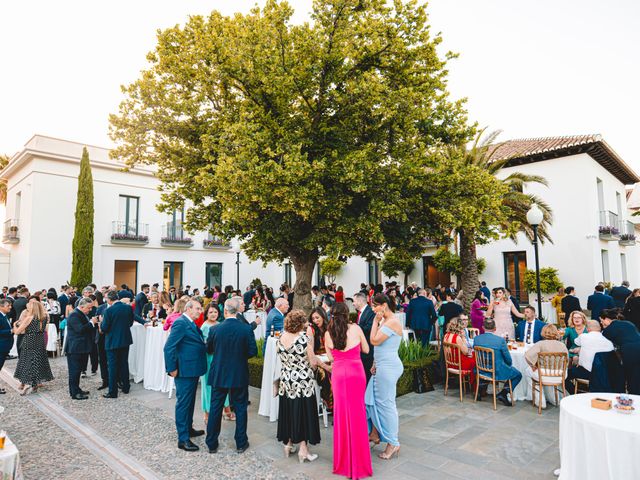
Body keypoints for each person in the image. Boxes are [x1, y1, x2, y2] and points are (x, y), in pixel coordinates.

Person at [324, 302, 372, 479]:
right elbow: (366, 350)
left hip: (339, 374)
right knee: (358, 414)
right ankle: (359, 462)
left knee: (341, 415)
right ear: (347, 313)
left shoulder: (328, 334)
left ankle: (344, 462)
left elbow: (331, 358)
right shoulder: (356, 329)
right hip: (356, 373)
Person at [205, 297, 258, 454]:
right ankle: (241, 442)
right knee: (240, 408)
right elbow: (252, 351)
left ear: (225, 311)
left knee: (215, 407)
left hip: (220, 372)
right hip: (238, 372)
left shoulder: (215, 329)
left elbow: (208, 349)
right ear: (237, 311)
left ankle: (212, 443)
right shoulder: (246, 329)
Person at [276, 309, 321, 462]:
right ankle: (303, 449)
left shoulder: (280, 338)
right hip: (302, 382)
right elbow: (313, 362)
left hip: (286, 380)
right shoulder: (303, 340)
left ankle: (288, 444)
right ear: (301, 323)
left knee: (289, 410)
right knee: (303, 413)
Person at [164, 299, 207, 451]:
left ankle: (189, 429)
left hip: (192, 368)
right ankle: (183, 439)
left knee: (189, 402)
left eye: (200, 308)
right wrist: (171, 368)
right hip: (184, 370)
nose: (200, 311)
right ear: (188, 309)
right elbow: (169, 347)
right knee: (183, 403)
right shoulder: (181, 323)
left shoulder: (190, 322)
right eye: (197, 308)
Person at [366, 294, 403, 460]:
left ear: (384, 305)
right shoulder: (386, 321)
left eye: (375, 306)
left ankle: (393, 443)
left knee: (387, 405)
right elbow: (381, 348)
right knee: (371, 398)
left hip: (389, 368)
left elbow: (374, 341)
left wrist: (374, 322)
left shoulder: (392, 322)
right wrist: (375, 363)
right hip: (381, 366)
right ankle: (374, 433)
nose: (373, 309)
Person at [473, 318, 522, 406]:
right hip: (496, 371)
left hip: (480, 369)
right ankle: (504, 393)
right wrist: (508, 365)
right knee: (518, 375)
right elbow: (508, 359)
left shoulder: (477, 339)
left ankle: (480, 390)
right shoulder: (500, 340)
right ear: (495, 328)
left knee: (487, 366)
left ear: (483, 327)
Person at [200, 304, 234, 424]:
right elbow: (204, 346)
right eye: (210, 312)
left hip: (221, 359)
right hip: (209, 360)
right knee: (208, 387)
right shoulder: (204, 327)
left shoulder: (221, 325)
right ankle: (207, 413)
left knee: (222, 385)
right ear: (206, 314)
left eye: (215, 312)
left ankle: (226, 410)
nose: (213, 314)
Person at [12, 298, 54, 395]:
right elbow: (45, 330)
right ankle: (35, 384)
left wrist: (15, 325)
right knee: (37, 361)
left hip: (29, 342)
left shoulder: (29, 318)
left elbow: (17, 332)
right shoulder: (44, 317)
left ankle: (26, 383)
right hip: (39, 342)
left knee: (27, 362)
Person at [523, 324, 568, 408]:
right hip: (560, 375)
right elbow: (567, 360)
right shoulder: (562, 345)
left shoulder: (540, 344)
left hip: (544, 374)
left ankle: (540, 401)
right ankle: (555, 400)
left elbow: (527, 356)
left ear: (543, 333)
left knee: (527, 371)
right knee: (546, 375)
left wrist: (532, 365)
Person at [100, 290, 134, 398]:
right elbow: (130, 323)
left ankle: (113, 391)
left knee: (113, 366)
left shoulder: (108, 311)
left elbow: (104, 328)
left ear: (109, 299)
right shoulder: (127, 307)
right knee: (124, 363)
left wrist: (101, 322)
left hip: (112, 341)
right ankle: (126, 387)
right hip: (125, 340)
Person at [564, 320, 614, 393]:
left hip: (587, 372)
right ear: (599, 328)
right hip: (605, 374)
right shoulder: (608, 341)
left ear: (588, 329)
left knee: (563, 375)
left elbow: (576, 341)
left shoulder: (584, 336)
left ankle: (574, 392)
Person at [65, 298, 99, 400]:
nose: (90, 309)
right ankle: (74, 393)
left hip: (81, 347)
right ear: (82, 306)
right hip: (75, 348)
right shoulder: (74, 315)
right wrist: (91, 323)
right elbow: (80, 329)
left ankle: (77, 389)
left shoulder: (81, 314)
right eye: (89, 307)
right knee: (74, 371)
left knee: (78, 370)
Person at [601, 308, 640, 394]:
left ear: (607, 319)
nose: (601, 323)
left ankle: (628, 397)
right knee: (637, 376)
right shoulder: (628, 323)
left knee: (629, 375)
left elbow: (605, 344)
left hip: (629, 351)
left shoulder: (608, 330)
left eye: (602, 321)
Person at [306, 307, 333, 410]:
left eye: (317, 317)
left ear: (323, 316)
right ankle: (331, 404)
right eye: (313, 318)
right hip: (317, 361)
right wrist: (325, 366)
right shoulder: (311, 329)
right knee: (325, 374)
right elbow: (310, 351)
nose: (315, 320)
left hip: (330, 358)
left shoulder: (329, 327)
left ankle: (341, 404)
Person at [443, 316, 476, 391]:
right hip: (459, 364)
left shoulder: (446, 335)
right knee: (476, 361)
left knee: (473, 357)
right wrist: (463, 337)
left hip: (450, 363)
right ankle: (475, 387)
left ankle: (473, 385)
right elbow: (466, 351)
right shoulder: (457, 338)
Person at [352, 292, 375, 384]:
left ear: (360, 301)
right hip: (361, 349)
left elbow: (370, 328)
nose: (353, 303)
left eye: (354, 301)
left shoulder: (370, 312)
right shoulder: (361, 313)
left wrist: (356, 327)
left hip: (368, 349)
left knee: (367, 375)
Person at [0, 300, 13, 394]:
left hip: (5, 346)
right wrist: (10, 331)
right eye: (8, 305)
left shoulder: (5, 315)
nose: (10, 307)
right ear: (1, 306)